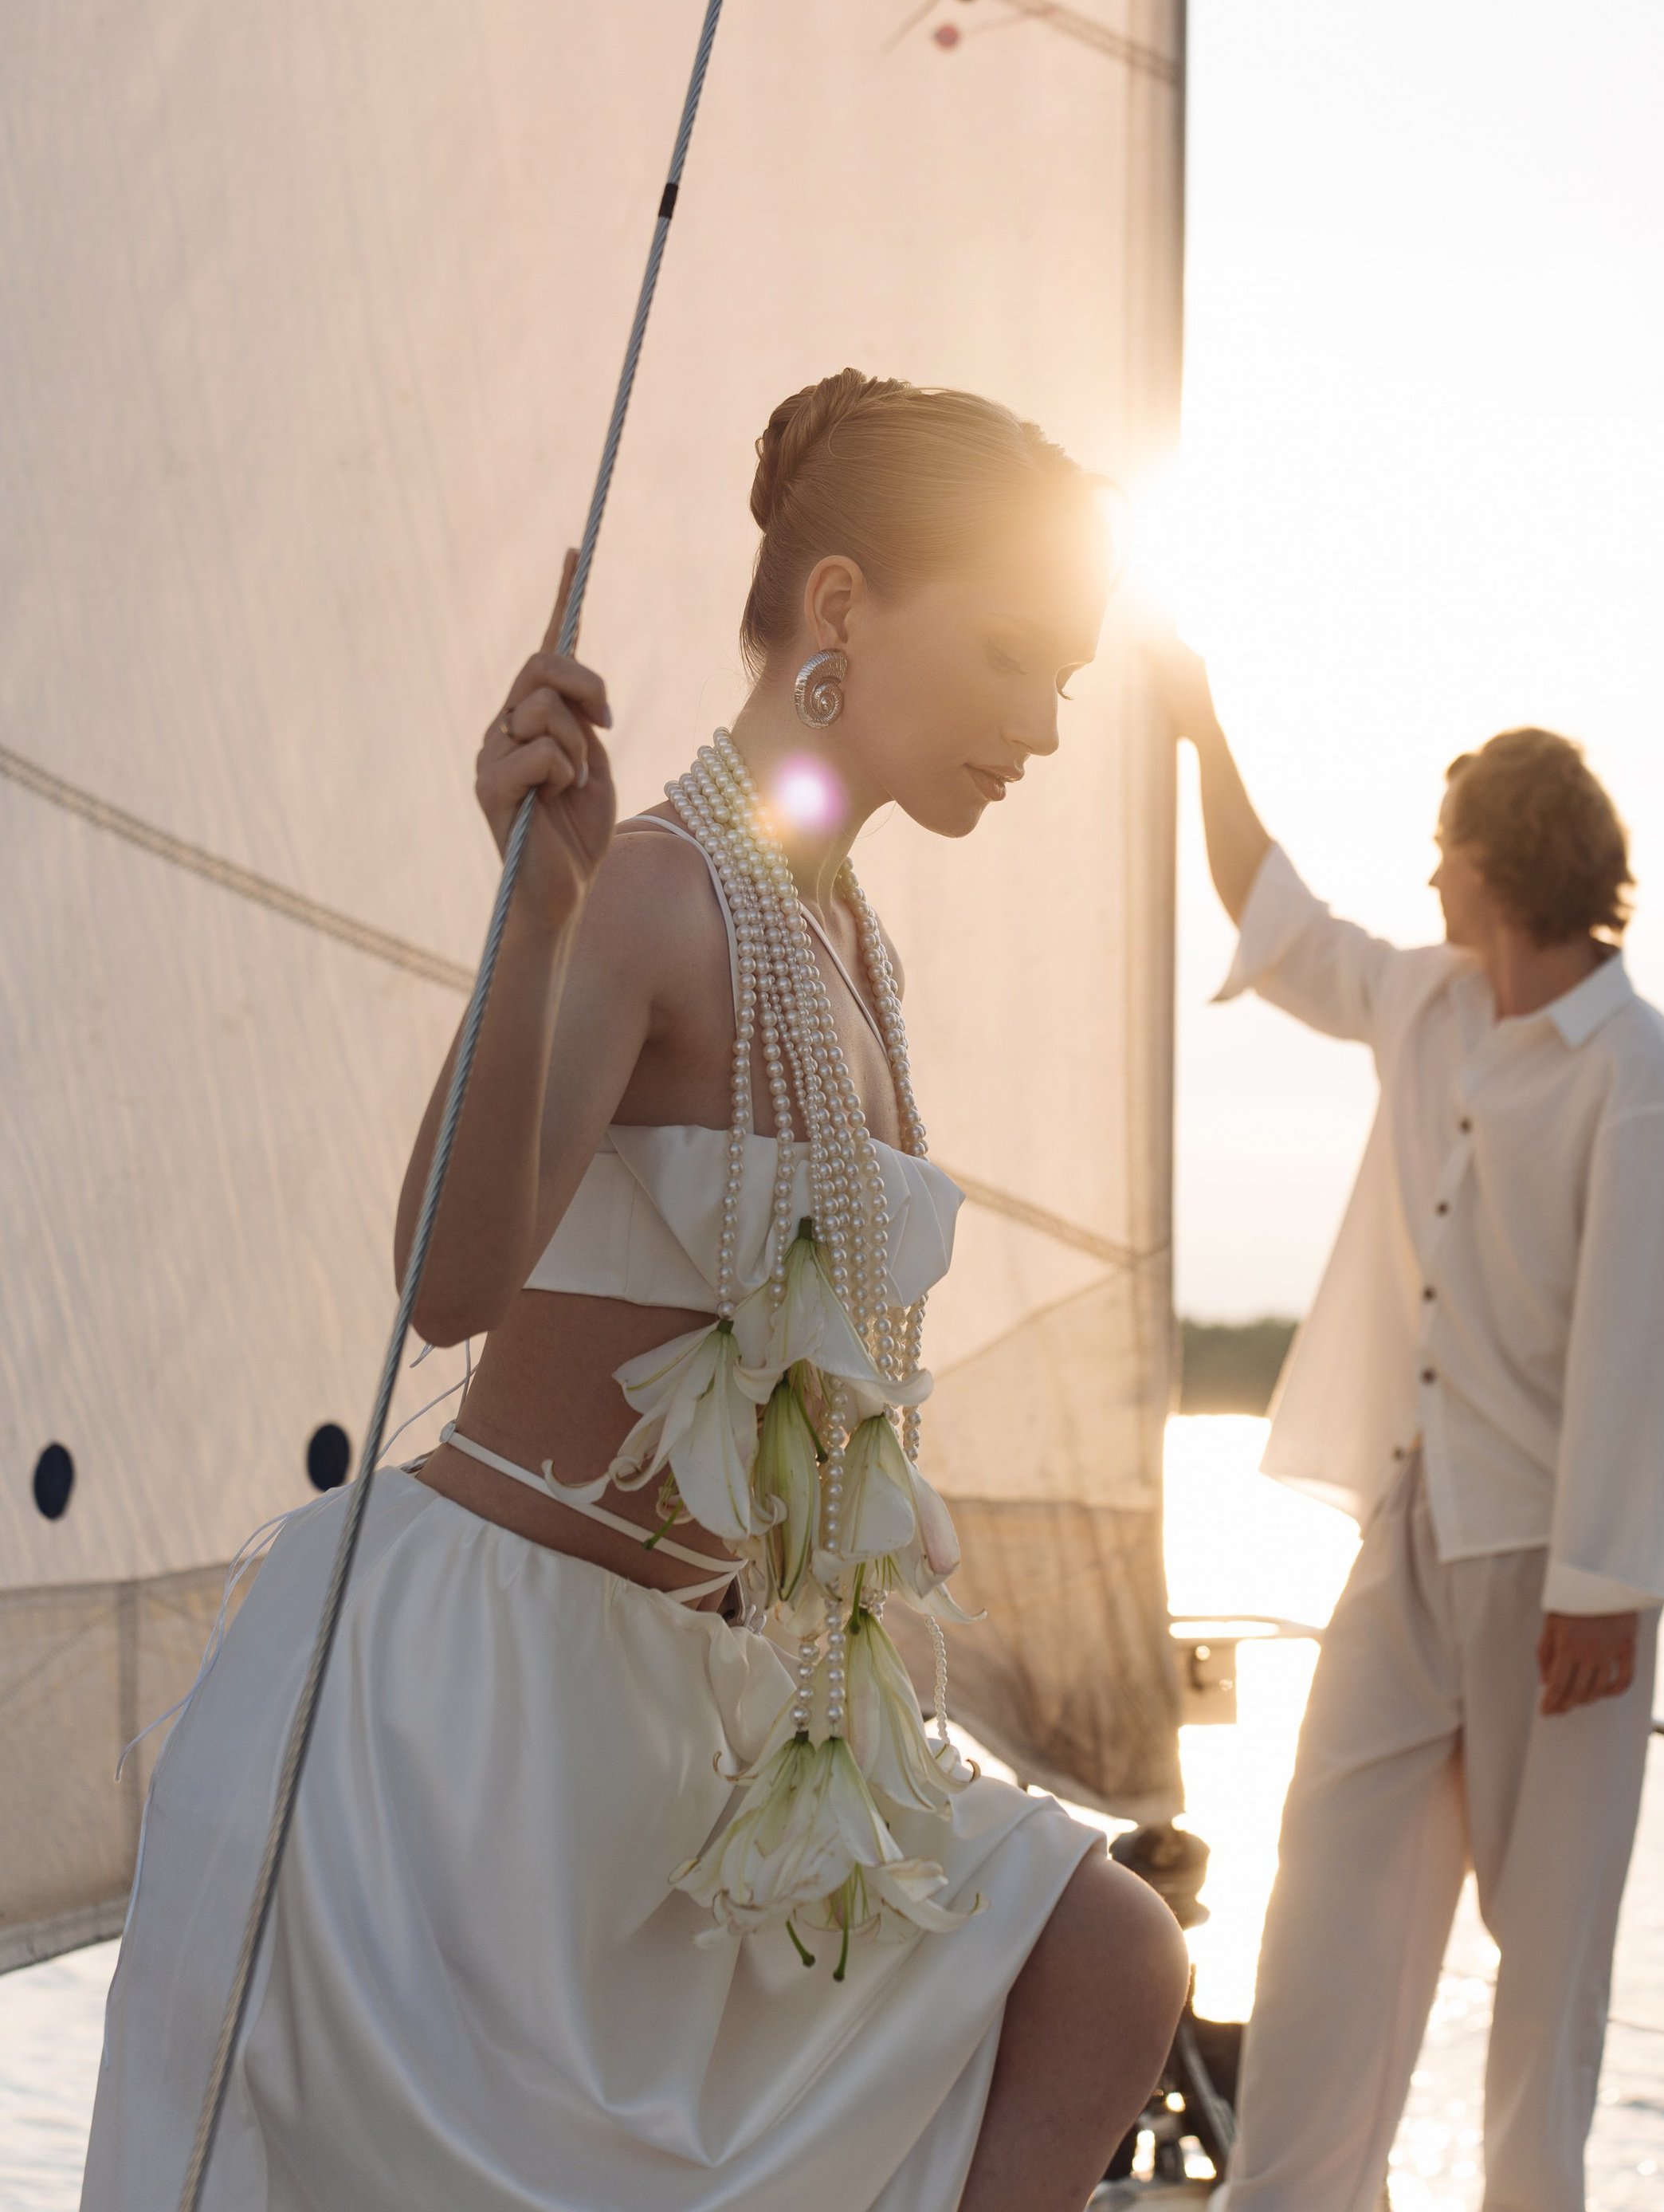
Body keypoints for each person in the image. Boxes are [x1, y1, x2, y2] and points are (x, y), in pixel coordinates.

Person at [85, 371, 1187, 2212]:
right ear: (839, 608)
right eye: (1012, 659)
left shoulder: (849, 940)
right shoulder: (662, 893)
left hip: (714, 1710)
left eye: (1067, 681)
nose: (1045, 728)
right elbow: (443, 1284)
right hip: (485, 1724)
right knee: (1105, 1960)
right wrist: (541, 910)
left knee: (1105, 1958)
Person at [1158, 650, 1664, 2212]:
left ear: (1493, 865)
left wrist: (1602, 1587)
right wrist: (1200, 734)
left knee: (1541, 2003)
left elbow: (1644, 1344)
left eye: (1441, 847)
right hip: (1406, 1542)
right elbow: (1273, 918)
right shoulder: (1425, 1000)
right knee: (1324, 1928)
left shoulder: (1639, 1079)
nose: (1423, 871)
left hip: (1560, 1580)